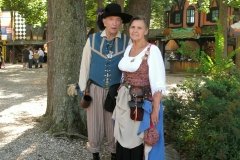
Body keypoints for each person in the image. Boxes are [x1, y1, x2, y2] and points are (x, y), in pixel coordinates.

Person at [78, 3, 132, 160]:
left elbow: (129, 67)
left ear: (121, 23)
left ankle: (114, 154)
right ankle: (95, 154)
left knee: (114, 124)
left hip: (116, 91)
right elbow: (85, 66)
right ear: (104, 21)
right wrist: (83, 90)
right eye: (111, 19)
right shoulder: (92, 40)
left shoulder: (127, 42)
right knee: (94, 125)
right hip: (95, 88)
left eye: (117, 20)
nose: (114, 23)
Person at [112, 16, 166, 160]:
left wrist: (155, 109)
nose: (135, 30)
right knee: (122, 139)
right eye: (132, 27)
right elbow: (124, 75)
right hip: (124, 101)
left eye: (139, 28)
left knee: (137, 140)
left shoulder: (152, 51)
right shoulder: (129, 47)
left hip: (141, 104)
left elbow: (158, 84)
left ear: (146, 31)